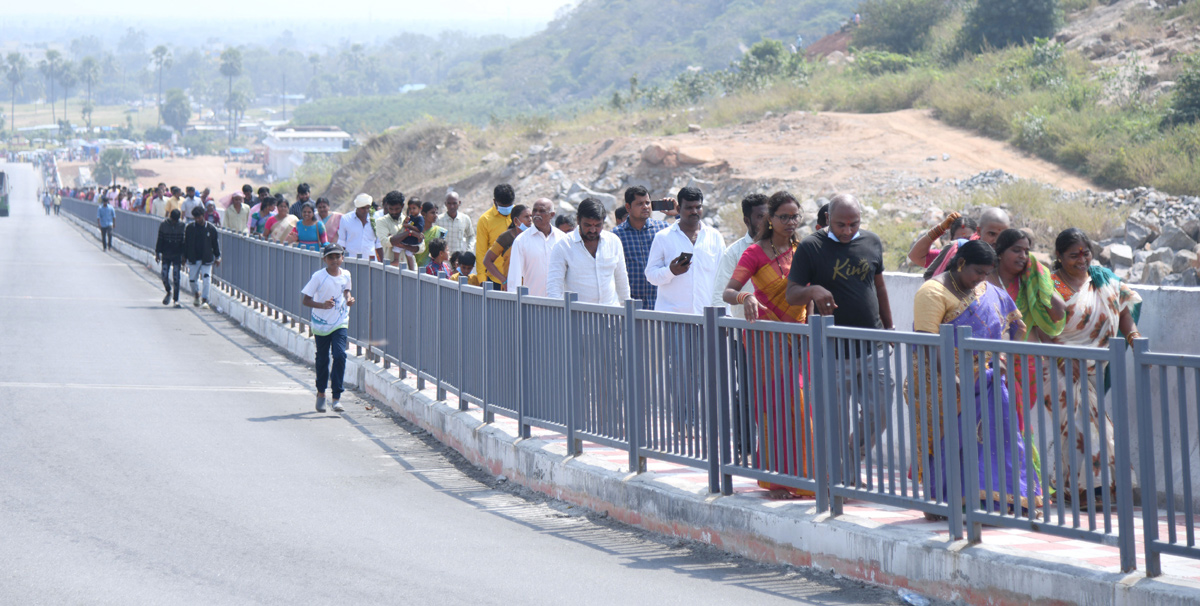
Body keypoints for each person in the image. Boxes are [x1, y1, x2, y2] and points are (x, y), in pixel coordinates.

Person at [911, 240, 1041, 514]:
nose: (982, 279)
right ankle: (949, 503)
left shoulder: (988, 290)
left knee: (996, 439)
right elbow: (927, 341)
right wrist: (951, 378)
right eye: (977, 272)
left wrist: (1001, 357)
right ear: (960, 264)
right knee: (953, 442)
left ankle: (997, 502)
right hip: (945, 384)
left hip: (990, 382)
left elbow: (1007, 324)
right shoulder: (933, 292)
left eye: (986, 273)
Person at [786, 193, 895, 473]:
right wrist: (812, 290)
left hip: (873, 344)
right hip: (833, 351)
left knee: (881, 410)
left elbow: (879, 287)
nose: (847, 231)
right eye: (840, 225)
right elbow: (792, 294)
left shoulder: (871, 242)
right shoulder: (811, 247)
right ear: (827, 220)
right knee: (833, 419)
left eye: (853, 224)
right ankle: (839, 477)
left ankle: (851, 451)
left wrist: (889, 327)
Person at [720, 191, 813, 496]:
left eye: (794, 216)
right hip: (767, 340)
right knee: (779, 406)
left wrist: (811, 325)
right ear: (770, 219)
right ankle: (779, 477)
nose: (790, 222)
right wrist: (746, 297)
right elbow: (729, 291)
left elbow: (809, 290)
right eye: (783, 217)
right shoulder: (755, 253)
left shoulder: (804, 249)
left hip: (801, 337)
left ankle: (807, 476)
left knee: (805, 406)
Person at [1044, 228, 1142, 504]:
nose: (1081, 259)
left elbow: (1124, 309)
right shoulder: (1050, 285)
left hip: (1094, 367)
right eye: (1073, 255)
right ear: (1059, 257)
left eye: (1085, 252)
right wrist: (1062, 357)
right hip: (1056, 365)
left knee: (1090, 426)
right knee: (1081, 425)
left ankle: (1079, 490)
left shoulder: (1103, 280)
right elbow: (1040, 325)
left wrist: (1133, 337)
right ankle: (1089, 491)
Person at [645, 187, 724, 314]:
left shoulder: (715, 237)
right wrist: (670, 271)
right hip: (673, 319)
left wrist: (725, 314)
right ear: (678, 209)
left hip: (707, 318)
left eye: (698, 207)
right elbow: (651, 276)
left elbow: (723, 279)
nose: (694, 211)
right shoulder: (663, 237)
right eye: (689, 208)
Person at [302, 243, 355, 413]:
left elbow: (346, 290)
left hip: (340, 321)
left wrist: (349, 299)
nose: (334, 260)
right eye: (330, 257)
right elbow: (306, 300)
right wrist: (322, 305)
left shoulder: (346, 274)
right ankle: (320, 393)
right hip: (321, 323)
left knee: (340, 355)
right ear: (324, 259)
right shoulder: (318, 276)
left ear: (342, 258)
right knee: (323, 359)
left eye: (337, 256)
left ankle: (337, 397)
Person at [547, 198, 630, 305]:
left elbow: (621, 279)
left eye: (597, 225)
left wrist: (625, 311)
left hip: (611, 316)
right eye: (588, 225)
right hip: (577, 317)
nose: (593, 230)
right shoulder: (563, 246)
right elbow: (554, 286)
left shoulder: (613, 242)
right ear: (578, 220)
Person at [614, 186, 671, 310]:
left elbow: (685, 235)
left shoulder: (663, 229)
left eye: (648, 203)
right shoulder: (616, 235)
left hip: (661, 304)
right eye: (640, 203)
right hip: (632, 308)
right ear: (628, 207)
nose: (645, 207)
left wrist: (677, 213)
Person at [712, 194, 768, 318]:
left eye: (768, 216)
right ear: (747, 220)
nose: (766, 221)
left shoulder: (782, 248)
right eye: (760, 217)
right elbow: (720, 294)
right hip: (745, 329)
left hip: (780, 329)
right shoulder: (734, 252)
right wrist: (721, 326)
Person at [921, 208, 1010, 278]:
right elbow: (917, 257)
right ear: (979, 231)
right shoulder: (957, 251)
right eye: (992, 234)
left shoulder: (1012, 258)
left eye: (1002, 235)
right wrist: (940, 228)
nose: (996, 240)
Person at [507, 198, 567, 297]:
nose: (537, 214)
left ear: (552, 215)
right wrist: (513, 304)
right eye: (535, 210)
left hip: (559, 304)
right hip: (533, 304)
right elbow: (514, 276)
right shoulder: (521, 241)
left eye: (542, 211)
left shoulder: (562, 239)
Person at [476, 184, 516, 283]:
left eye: (509, 206)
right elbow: (481, 252)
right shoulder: (485, 220)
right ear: (494, 202)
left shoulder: (521, 215)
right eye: (503, 206)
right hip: (495, 280)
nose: (507, 209)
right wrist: (482, 279)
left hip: (518, 278)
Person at [483, 204, 530, 289]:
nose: (530, 220)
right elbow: (487, 261)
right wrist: (504, 280)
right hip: (511, 288)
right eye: (526, 217)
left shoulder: (534, 236)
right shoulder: (506, 237)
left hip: (530, 287)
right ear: (516, 220)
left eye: (531, 216)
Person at [183, 206, 221, 308]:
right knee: (192, 280)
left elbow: (215, 244)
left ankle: (205, 299)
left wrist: (218, 257)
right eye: (195, 218)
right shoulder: (190, 228)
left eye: (199, 217)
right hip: (193, 258)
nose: (197, 219)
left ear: (203, 215)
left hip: (206, 258)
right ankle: (196, 293)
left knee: (206, 278)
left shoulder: (211, 229)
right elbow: (186, 243)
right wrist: (184, 257)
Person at [155, 209, 186, 306]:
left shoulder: (182, 226)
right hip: (166, 253)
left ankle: (176, 299)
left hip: (177, 254)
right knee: (164, 275)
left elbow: (184, 242)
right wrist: (157, 253)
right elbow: (160, 239)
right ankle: (168, 291)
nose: (174, 223)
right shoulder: (164, 225)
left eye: (176, 221)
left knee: (176, 277)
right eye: (173, 220)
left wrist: (184, 256)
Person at [339, 193, 383, 261]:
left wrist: (383, 264)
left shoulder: (376, 219)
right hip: (351, 260)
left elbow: (378, 244)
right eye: (363, 208)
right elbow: (342, 243)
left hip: (370, 262)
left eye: (368, 208)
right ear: (357, 207)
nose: (366, 211)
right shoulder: (346, 219)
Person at [375, 191, 408, 267]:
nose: (394, 212)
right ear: (386, 206)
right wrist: (408, 233)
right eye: (391, 209)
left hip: (409, 269)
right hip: (391, 270)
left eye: (397, 209)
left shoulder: (409, 220)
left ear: (402, 206)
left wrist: (403, 245)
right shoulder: (381, 222)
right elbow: (386, 242)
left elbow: (420, 247)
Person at [415, 201, 447, 267]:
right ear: (424, 214)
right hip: (413, 266)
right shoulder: (415, 230)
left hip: (431, 269)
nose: (435, 215)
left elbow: (440, 253)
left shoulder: (439, 231)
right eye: (432, 213)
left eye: (436, 212)